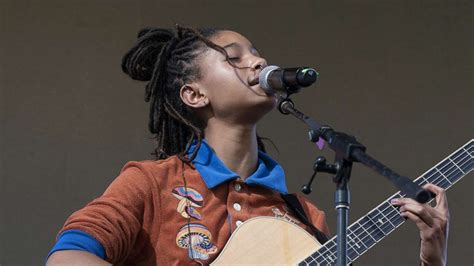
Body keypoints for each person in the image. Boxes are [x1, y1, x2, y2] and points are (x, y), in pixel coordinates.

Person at [46, 25, 450, 265]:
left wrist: (433, 258)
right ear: (194, 95)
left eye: (257, 55)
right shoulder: (152, 183)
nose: (258, 64)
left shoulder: (305, 220)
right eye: (234, 57)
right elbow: (67, 257)